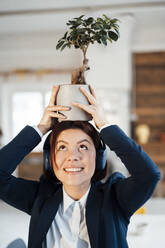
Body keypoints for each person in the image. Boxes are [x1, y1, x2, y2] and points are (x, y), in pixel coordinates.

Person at [0, 85, 161, 248]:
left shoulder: (114, 198)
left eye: (83, 147)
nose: (72, 157)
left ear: (99, 158)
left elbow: (148, 176)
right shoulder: (40, 198)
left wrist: (104, 125)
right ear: (51, 159)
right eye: (62, 147)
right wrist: (40, 129)